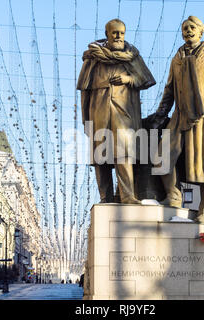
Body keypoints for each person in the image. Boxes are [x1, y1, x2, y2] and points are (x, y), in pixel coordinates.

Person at [151, 16, 204, 224]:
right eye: (185, 28)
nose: (188, 31)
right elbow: (169, 89)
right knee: (162, 155)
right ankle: (174, 196)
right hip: (180, 115)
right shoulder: (176, 58)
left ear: (201, 31)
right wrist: (161, 113)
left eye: (192, 27)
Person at [77, 19, 156, 204]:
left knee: (124, 153)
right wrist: (85, 119)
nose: (118, 36)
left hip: (125, 113)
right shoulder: (93, 57)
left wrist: (129, 79)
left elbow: (147, 79)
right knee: (100, 158)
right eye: (114, 32)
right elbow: (84, 91)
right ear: (107, 34)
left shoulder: (132, 56)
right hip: (99, 112)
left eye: (121, 32)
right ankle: (105, 197)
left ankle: (128, 196)